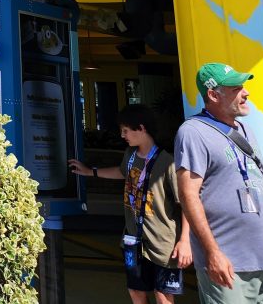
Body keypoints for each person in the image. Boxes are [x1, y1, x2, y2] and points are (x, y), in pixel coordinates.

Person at [175, 63, 263, 304]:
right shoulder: (193, 132)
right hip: (228, 265)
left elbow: (261, 186)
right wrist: (212, 253)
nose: (246, 92)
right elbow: (188, 196)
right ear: (213, 95)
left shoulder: (246, 130)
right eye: (236, 88)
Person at [70, 104, 191, 303]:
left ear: (141, 128)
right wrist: (90, 171)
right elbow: (122, 172)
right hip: (133, 240)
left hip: (163, 243)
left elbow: (185, 203)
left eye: (126, 130)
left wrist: (185, 241)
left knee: (163, 295)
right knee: (135, 290)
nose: (123, 135)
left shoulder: (167, 162)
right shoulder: (130, 155)